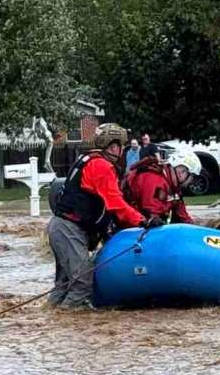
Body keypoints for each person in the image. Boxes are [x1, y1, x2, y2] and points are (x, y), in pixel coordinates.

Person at [48, 123, 150, 310]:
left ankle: (49, 320)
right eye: (121, 146)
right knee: (82, 283)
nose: (122, 151)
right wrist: (143, 220)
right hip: (70, 230)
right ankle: (66, 323)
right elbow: (115, 203)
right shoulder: (101, 167)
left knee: (64, 284)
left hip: (61, 227)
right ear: (113, 146)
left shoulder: (88, 159)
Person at [123, 148, 201, 225]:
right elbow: (151, 214)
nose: (191, 180)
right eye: (191, 176)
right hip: (131, 223)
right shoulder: (154, 180)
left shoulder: (173, 187)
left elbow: (182, 215)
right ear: (181, 172)